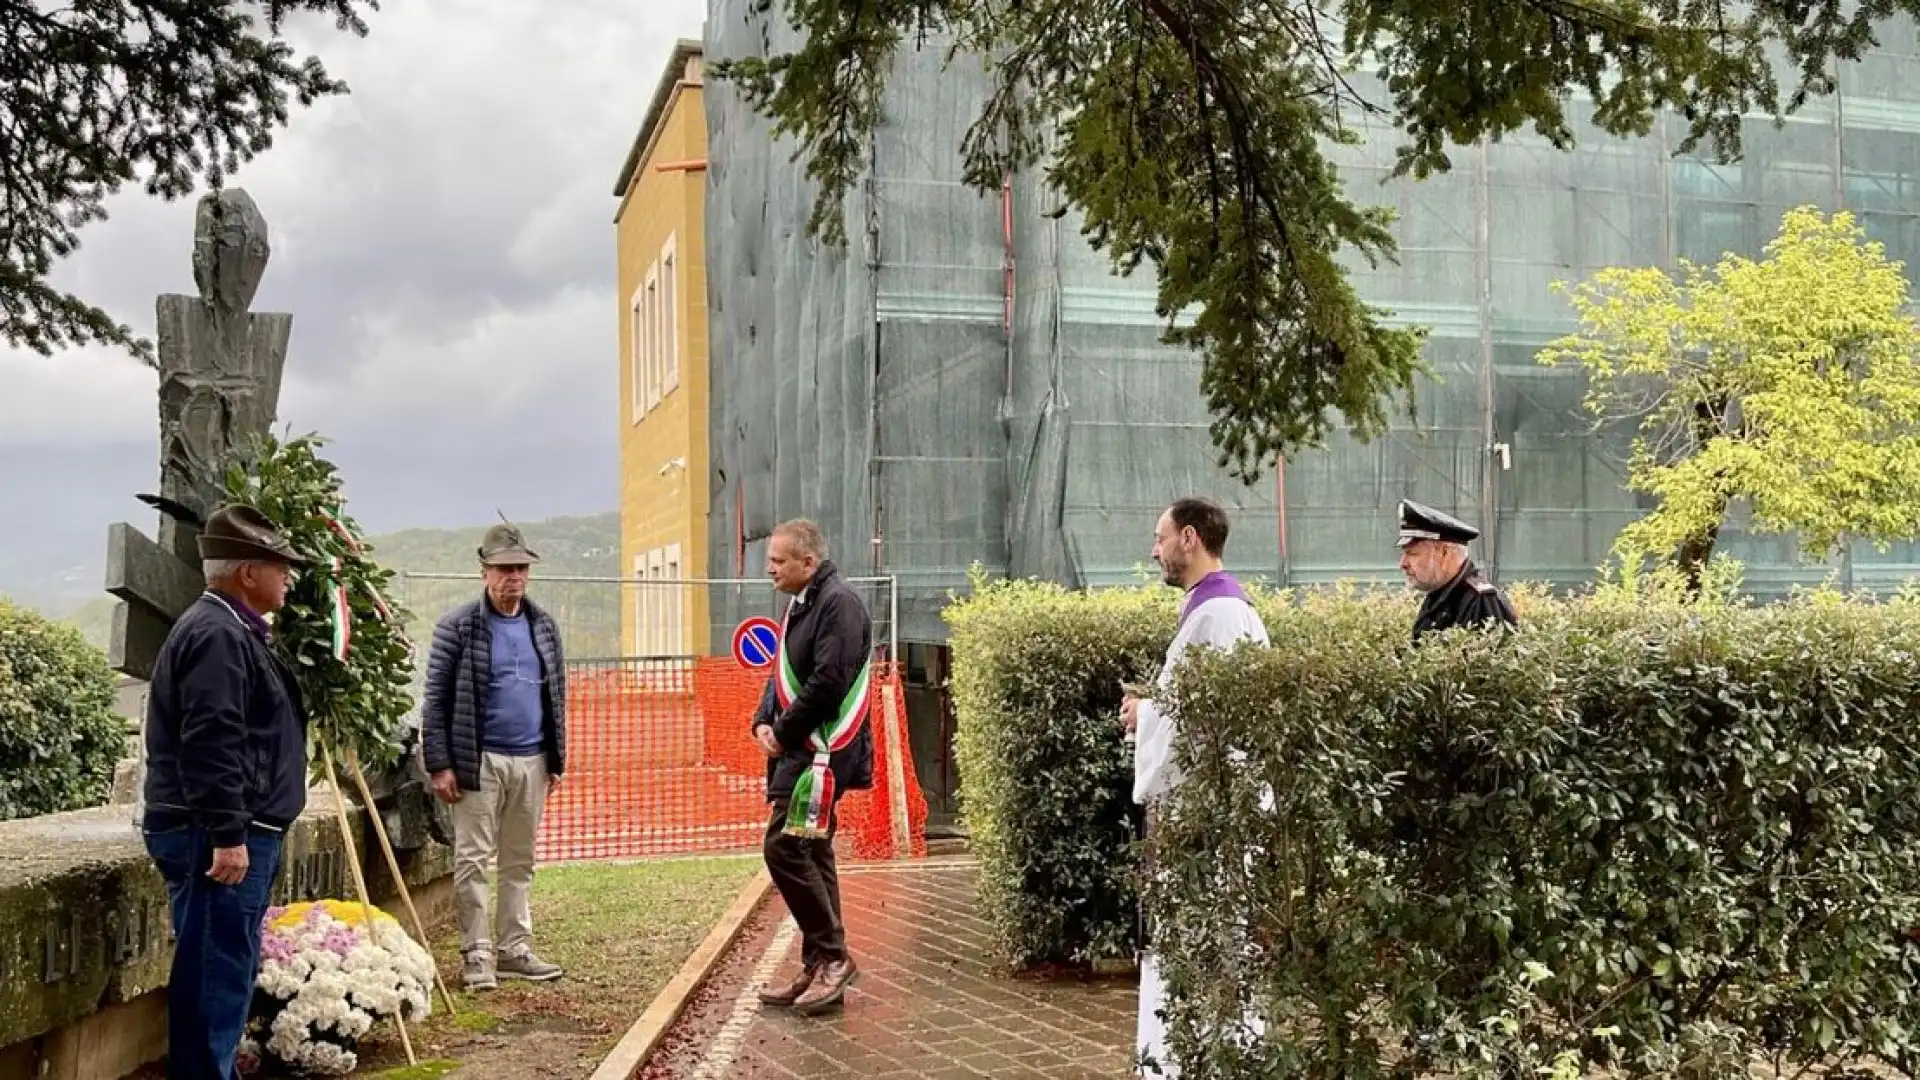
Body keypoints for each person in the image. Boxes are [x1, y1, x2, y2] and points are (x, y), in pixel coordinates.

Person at [142, 504, 309, 1080]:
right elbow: (212, 741)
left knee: (222, 970)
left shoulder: (229, 628)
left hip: (224, 829)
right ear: (247, 574)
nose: (288, 575)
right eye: (279, 564)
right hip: (214, 834)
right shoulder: (217, 634)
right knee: (215, 977)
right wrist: (228, 835)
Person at [1122, 497, 1271, 1078]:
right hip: (1204, 805)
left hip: (1209, 810)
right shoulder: (1209, 609)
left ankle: (1203, 1053)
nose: (1153, 550)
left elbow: (1217, 725)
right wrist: (1153, 708)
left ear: (1189, 537)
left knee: (1206, 936)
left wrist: (1147, 716)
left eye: (1158, 538)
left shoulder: (1221, 614)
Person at [422, 521, 569, 991]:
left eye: (521, 568)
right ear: (484, 571)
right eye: (505, 568)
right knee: (472, 861)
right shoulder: (458, 627)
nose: (514, 577)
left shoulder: (543, 625)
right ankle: (477, 954)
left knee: (519, 860)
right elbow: (435, 699)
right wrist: (440, 764)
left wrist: (556, 758)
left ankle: (514, 948)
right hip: (478, 762)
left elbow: (557, 695)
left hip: (532, 761)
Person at [750, 519, 875, 1016]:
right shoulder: (799, 604)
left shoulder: (839, 604)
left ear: (809, 562)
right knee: (813, 849)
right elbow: (781, 673)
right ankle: (817, 964)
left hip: (822, 751)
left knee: (783, 846)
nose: (770, 568)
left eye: (779, 560)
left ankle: (834, 956)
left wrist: (782, 732)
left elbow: (826, 682)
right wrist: (762, 720)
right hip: (799, 746)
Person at [1396, 499, 1518, 639]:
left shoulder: (1481, 601)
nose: (1403, 563)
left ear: (1445, 552)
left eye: (1412, 554)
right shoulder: (1439, 594)